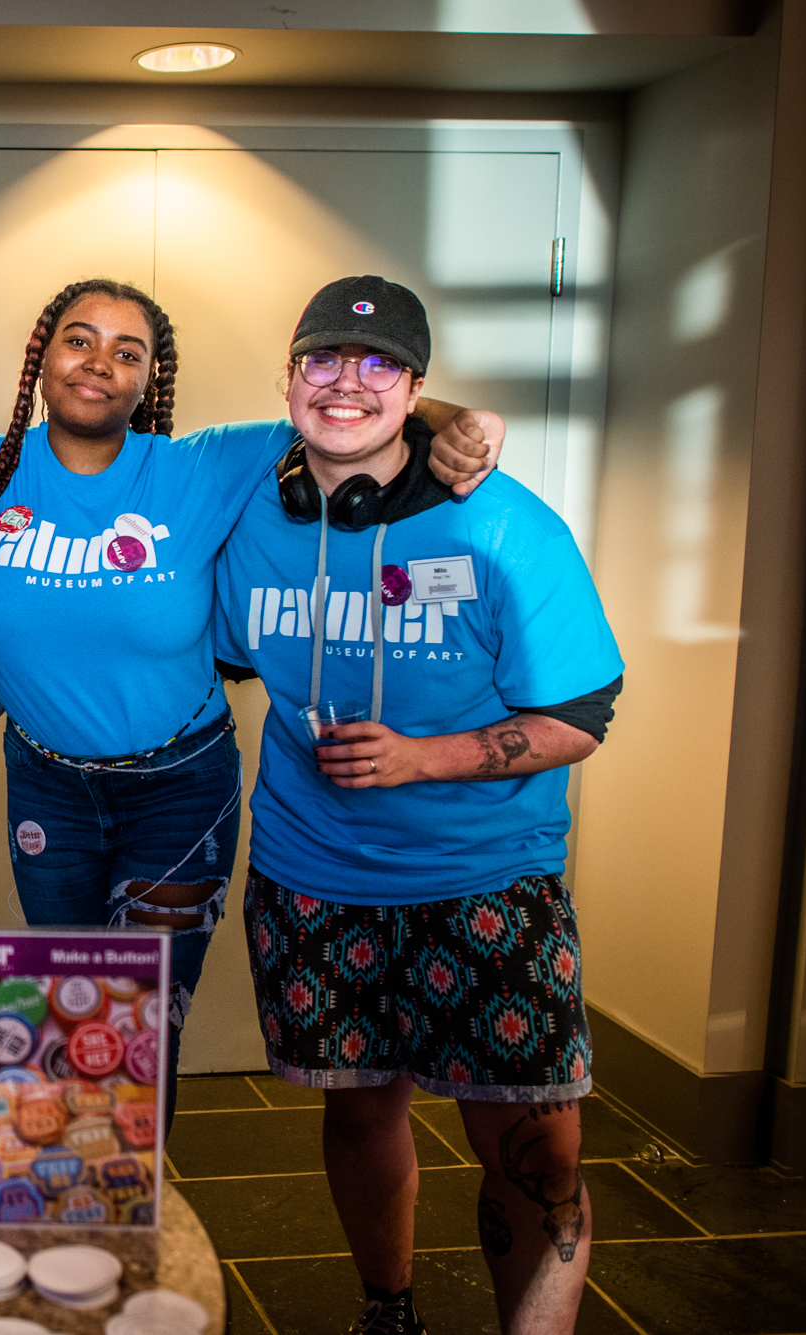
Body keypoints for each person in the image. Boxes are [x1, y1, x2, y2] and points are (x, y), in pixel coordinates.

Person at [0, 278, 507, 1108]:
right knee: (70, 1015)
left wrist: (461, 421)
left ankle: (129, 1227)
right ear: (41, 359)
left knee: (138, 1025)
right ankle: (77, 1203)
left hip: (177, 792)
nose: (99, 363)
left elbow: (345, 408)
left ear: (149, 378)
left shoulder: (202, 465)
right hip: (49, 786)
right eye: (79, 340)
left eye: (127, 351)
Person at [214, 275, 624, 1335]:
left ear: (414, 388)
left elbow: (583, 712)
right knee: (359, 1107)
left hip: (485, 879)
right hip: (312, 877)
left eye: (378, 366)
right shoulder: (249, 506)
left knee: (531, 1149)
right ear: (288, 375)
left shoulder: (503, 526)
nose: (344, 384)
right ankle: (384, 1309)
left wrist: (422, 759)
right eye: (321, 360)